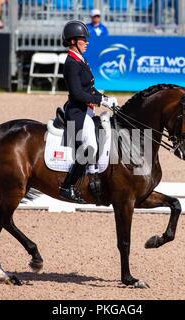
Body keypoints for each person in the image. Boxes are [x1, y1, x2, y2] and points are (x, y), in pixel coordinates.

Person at [59, 20, 117, 203]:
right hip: (77, 112)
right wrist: (100, 100)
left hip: (87, 110)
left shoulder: (81, 60)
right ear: (74, 41)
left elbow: (89, 90)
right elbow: (77, 93)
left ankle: (96, 174)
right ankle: (68, 186)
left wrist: (105, 99)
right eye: (84, 39)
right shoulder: (71, 63)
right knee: (90, 144)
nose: (87, 42)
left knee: (105, 132)